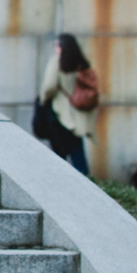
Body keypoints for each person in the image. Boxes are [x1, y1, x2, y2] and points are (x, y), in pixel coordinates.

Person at [39, 33, 97, 175]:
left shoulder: (57, 62)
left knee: (59, 151)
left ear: (61, 47)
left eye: (57, 45)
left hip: (60, 113)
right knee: (77, 151)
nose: (55, 48)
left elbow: (49, 86)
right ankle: (85, 181)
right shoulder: (81, 63)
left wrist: (43, 100)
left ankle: (60, 181)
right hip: (77, 116)